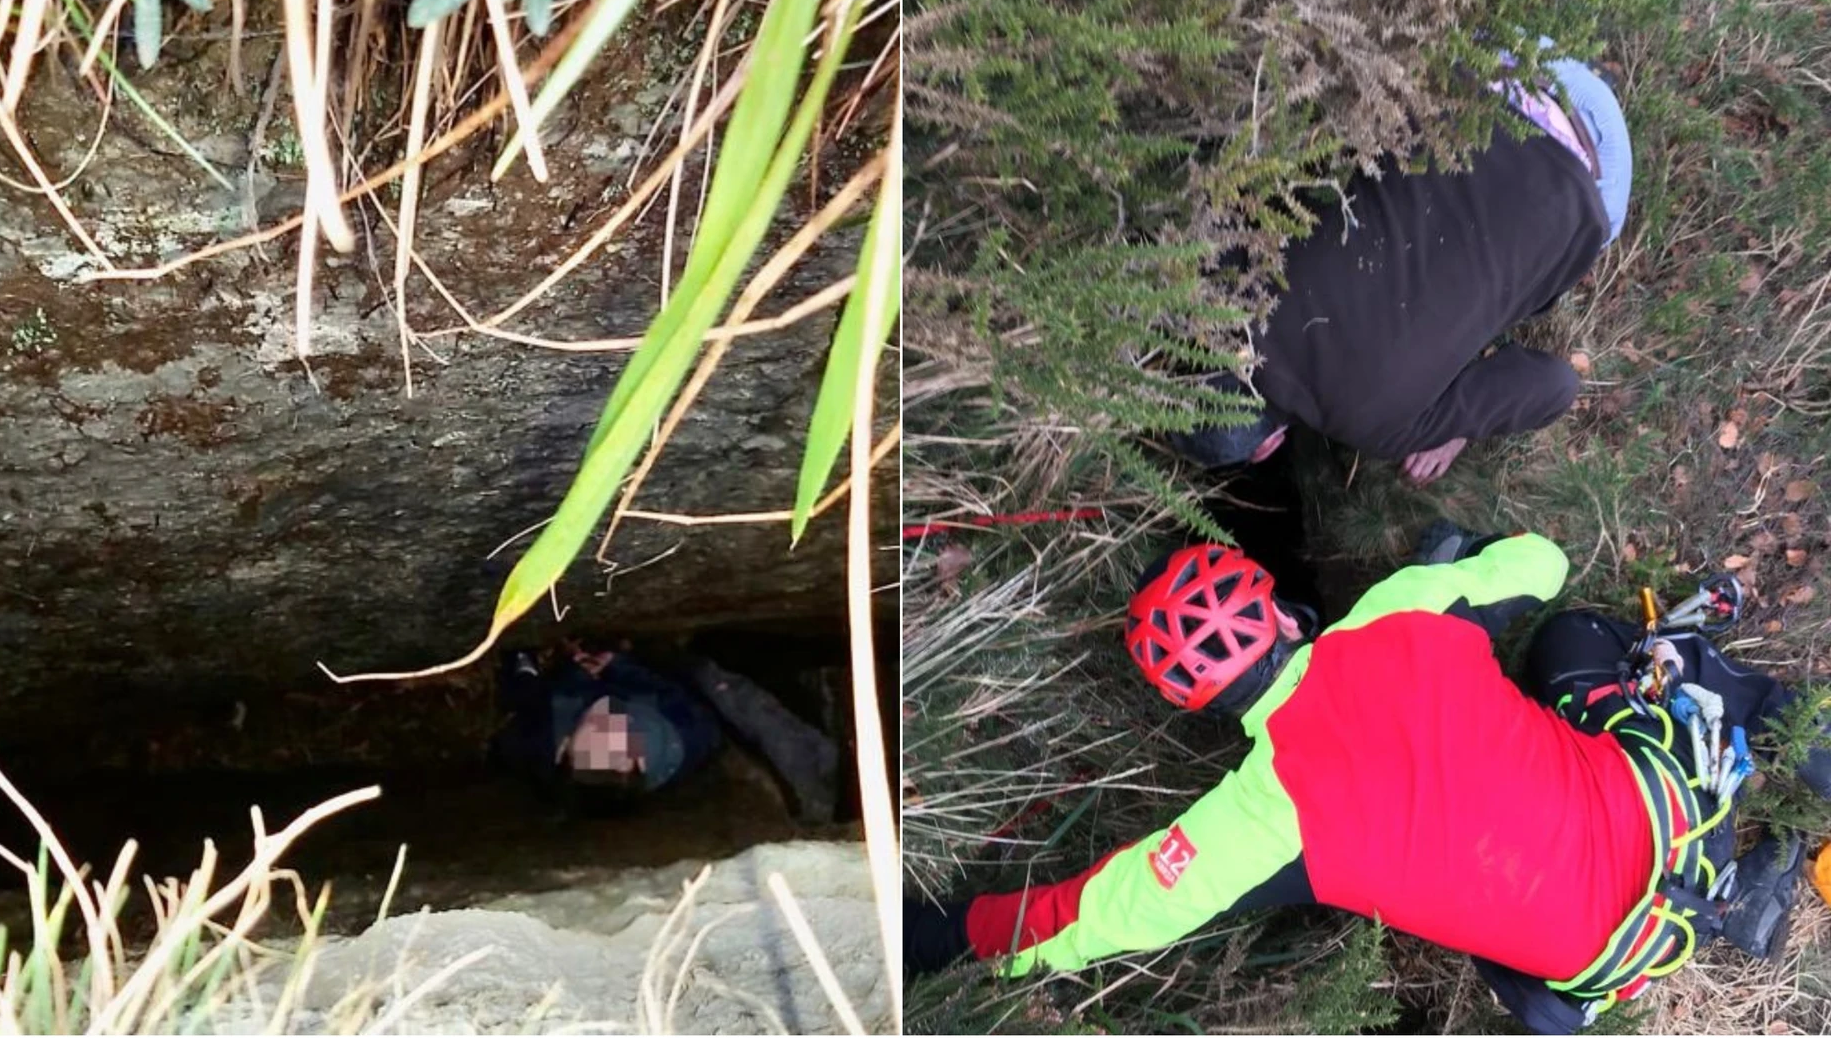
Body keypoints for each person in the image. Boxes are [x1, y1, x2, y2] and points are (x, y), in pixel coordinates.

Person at [905, 526, 1822, 1034]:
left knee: (1532, 990)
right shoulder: (1396, 614)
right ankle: (1780, 734)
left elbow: (1093, 917)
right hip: (1679, 808)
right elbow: (1542, 563)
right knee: (1572, 638)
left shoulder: (1257, 824)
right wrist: (1440, 568)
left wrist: (949, 937)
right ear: (1290, 615)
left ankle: (1731, 904)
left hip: (1607, 962)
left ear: (1201, 708)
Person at [1169, 50, 1632, 486]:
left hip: (1593, 171)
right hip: (1491, 70)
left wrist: (1459, 425)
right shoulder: (1228, 274)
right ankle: (1580, 69)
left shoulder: (1381, 429)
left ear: (1269, 446)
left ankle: (1596, 88)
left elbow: (1556, 384)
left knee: (1536, 291)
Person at [488, 640, 841, 824]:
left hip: (565, 708)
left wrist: (574, 670)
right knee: (700, 674)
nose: (606, 721)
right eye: (616, 740)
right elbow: (667, 688)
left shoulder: (545, 744)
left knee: (529, 704)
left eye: (593, 732)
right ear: (636, 757)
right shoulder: (683, 734)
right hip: (662, 694)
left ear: (564, 747)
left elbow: (536, 713)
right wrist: (619, 664)